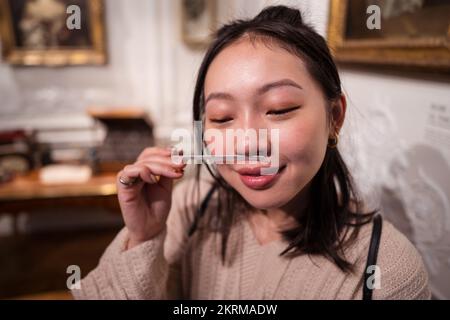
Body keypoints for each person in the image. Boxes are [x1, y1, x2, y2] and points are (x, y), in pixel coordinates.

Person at [71, 5, 431, 300]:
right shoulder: (190, 210)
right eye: (222, 117)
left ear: (334, 116)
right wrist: (145, 237)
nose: (245, 143)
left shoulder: (388, 271)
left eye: (278, 109)